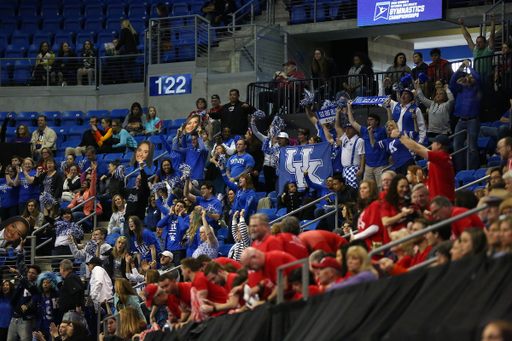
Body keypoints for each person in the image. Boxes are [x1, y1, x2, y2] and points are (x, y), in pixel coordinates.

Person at [399, 133, 455, 202]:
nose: (431, 145)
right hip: (442, 201)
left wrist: (399, 136)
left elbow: (417, 149)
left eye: (433, 143)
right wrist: (408, 140)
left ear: (439, 145)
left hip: (442, 202)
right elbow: (422, 148)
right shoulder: (443, 157)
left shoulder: (440, 157)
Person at [450, 60, 483, 172]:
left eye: (471, 77)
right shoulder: (462, 89)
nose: (469, 78)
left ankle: (473, 170)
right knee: (456, 146)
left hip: (473, 121)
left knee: (472, 147)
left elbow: (477, 78)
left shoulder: (477, 89)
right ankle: (459, 171)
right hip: (461, 120)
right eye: (468, 77)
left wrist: (469, 68)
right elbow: (452, 82)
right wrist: (460, 68)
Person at [346, 101, 387, 187]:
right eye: (368, 120)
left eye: (371, 120)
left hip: (380, 165)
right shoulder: (365, 131)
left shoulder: (382, 130)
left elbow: (390, 121)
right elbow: (353, 122)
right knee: (367, 187)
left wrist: (389, 107)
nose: (369, 121)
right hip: (368, 166)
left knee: (381, 188)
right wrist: (349, 107)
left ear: (377, 121)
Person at [6, 240, 41, 341]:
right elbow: (21, 263)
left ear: (37, 275)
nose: (30, 274)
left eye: (33, 273)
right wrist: (21, 246)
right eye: (29, 272)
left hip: (26, 319)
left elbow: (30, 286)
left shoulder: (37, 284)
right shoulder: (25, 278)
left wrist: (19, 275)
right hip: (14, 317)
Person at [346, 180, 389, 255]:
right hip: (365, 245)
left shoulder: (375, 204)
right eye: (360, 188)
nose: (362, 190)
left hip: (374, 246)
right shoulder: (366, 208)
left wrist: (356, 237)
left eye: (365, 188)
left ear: (371, 190)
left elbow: (375, 227)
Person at [121, 160, 150, 243]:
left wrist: (141, 167)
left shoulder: (144, 191)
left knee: (139, 242)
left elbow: (144, 182)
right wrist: (122, 176)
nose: (138, 181)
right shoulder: (131, 191)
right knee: (129, 244)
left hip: (138, 220)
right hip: (128, 220)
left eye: (140, 180)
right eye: (137, 179)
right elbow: (120, 189)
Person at [67, 162, 99, 230]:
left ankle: (76, 229)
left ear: (88, 186)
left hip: (85, 211)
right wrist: (68, 208)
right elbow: (73, 203)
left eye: (84, 184)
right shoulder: (78, 194)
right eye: (82, 184)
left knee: (73, 215)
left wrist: (93, 171)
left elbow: (93, 183)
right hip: (76, 209)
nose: (82, 185)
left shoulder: (90, 193)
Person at [32, 272, 62, 341]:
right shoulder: (38, 297)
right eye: (43, 283)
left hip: (54, 327)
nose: (45, 285)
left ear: (52, 284)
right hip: (41, 327)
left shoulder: (57, 296)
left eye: (47, 283)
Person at [58, 259, 85, 325]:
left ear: (63, 269)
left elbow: (78, 289)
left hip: (71, 314)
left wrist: (78, 305)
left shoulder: (70, 278)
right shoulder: (73, 277)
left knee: (70, 333)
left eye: (60, 269)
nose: (60, 272)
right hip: (71, 313)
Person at [114, 19, 140, 83]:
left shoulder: (124, 30)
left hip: (128, 52)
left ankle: (129, 81)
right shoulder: (133, 32)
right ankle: (131, 80)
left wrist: (116, 48)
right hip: (134, 52)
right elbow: (138, 42)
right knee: (130, 66)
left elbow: (121, 41)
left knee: (125, 66)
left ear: (123, 24)